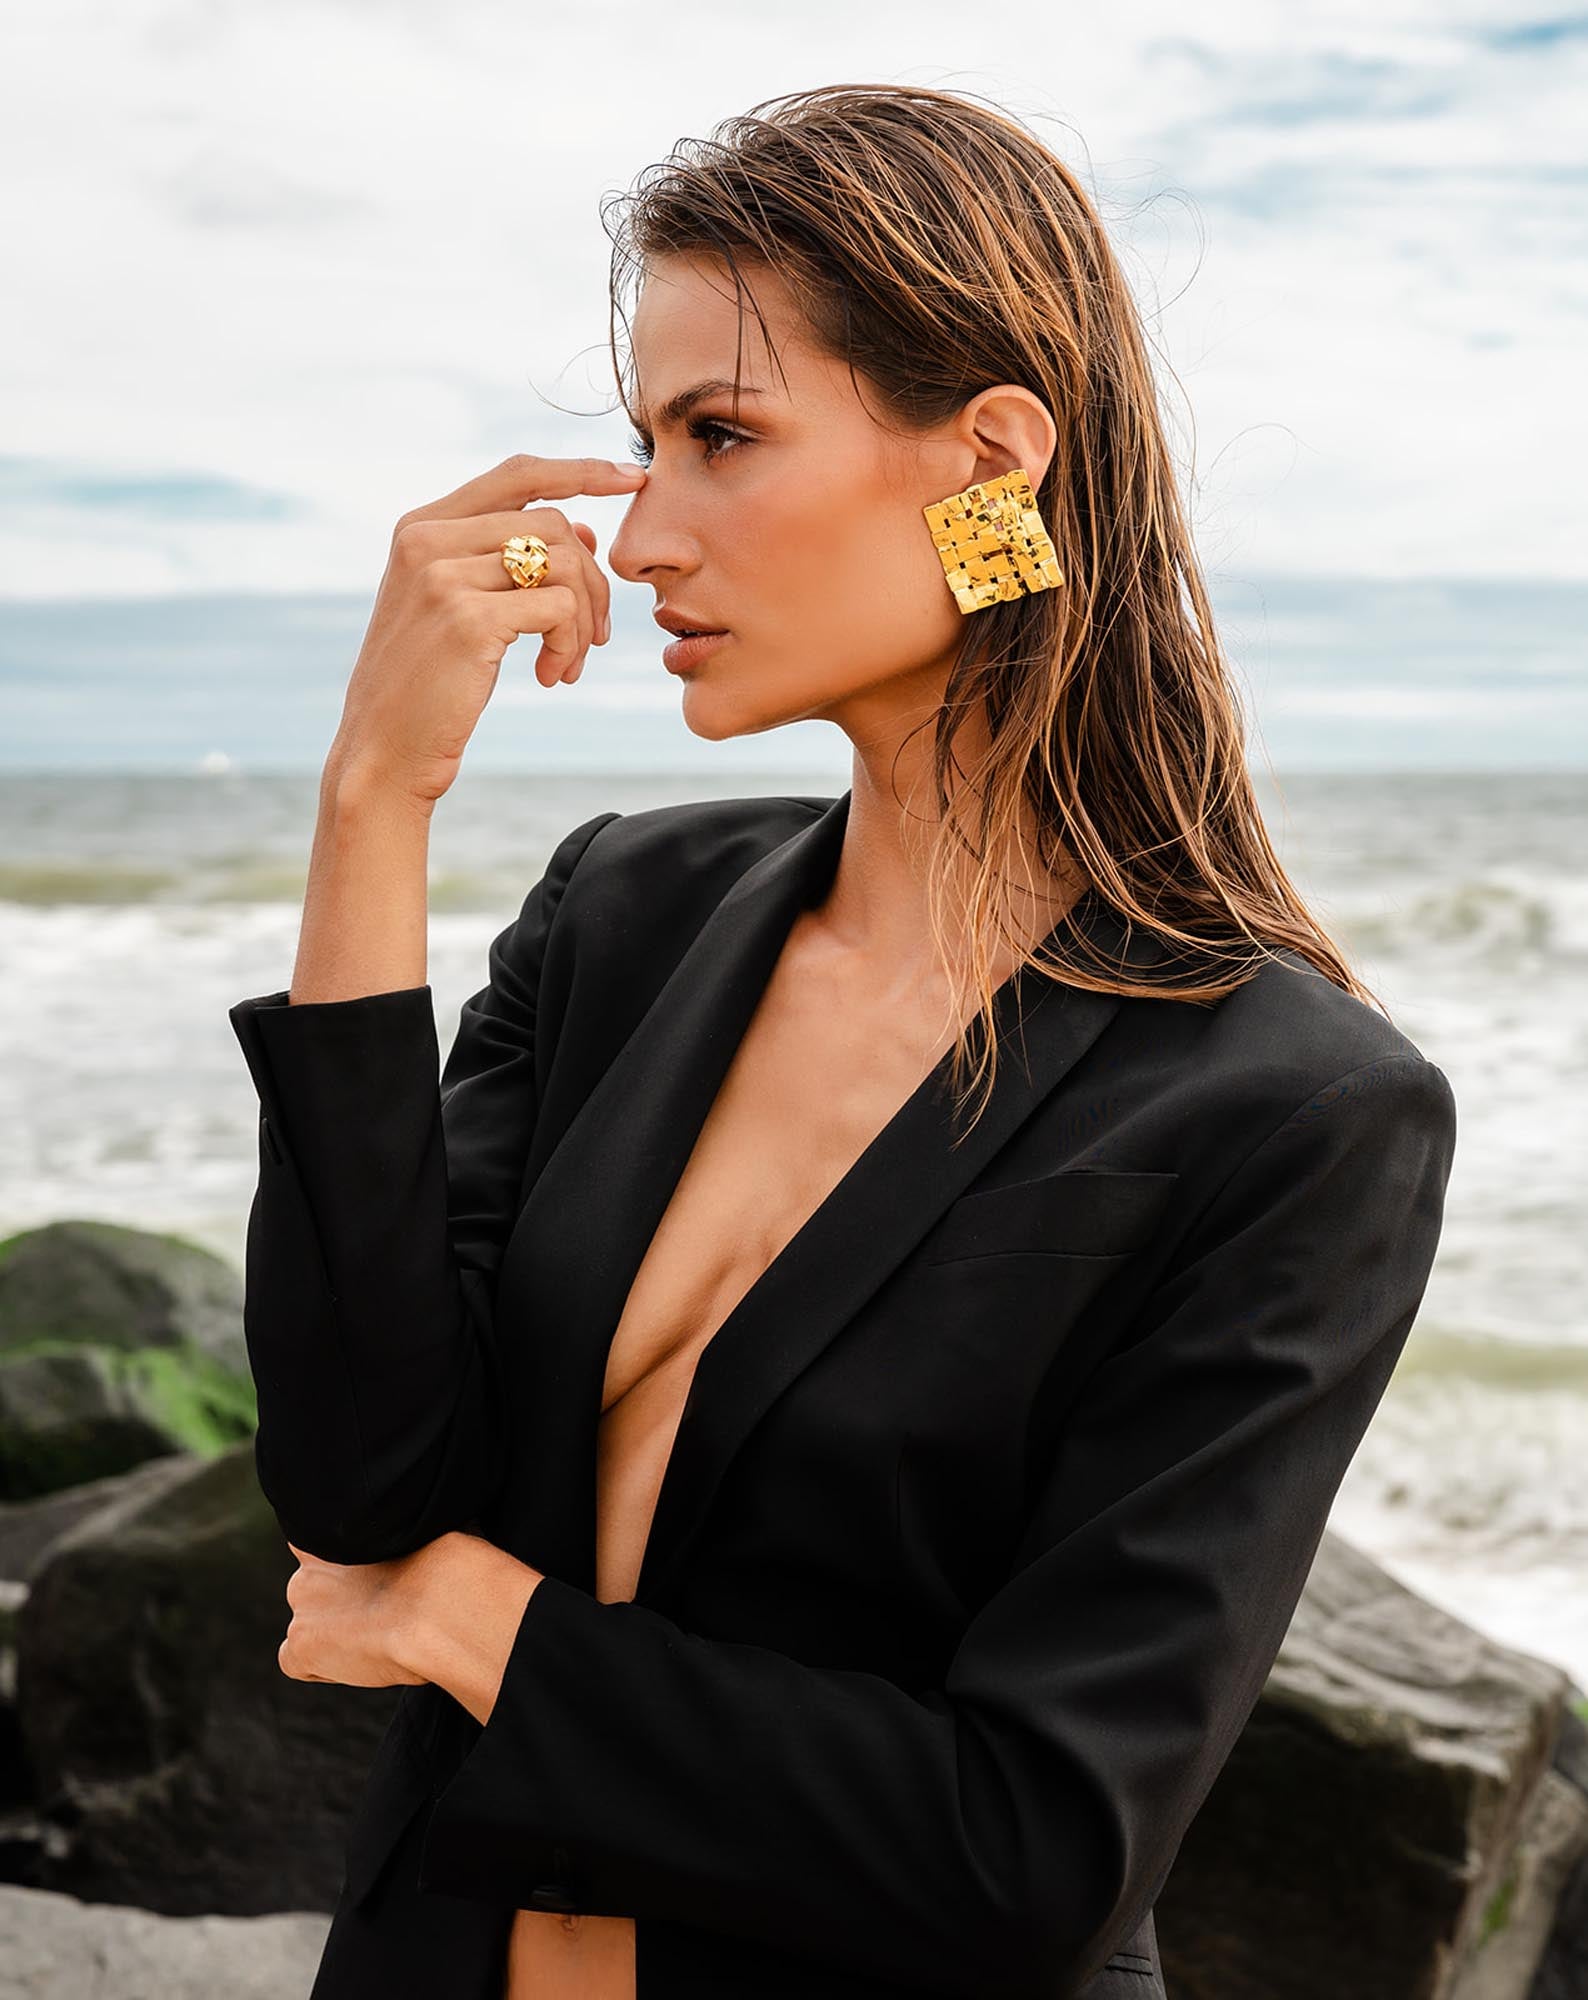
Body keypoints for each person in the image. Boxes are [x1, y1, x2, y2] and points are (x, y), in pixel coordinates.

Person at [226, 83, 1457, 2000]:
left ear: (989, 464)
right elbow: (354, 1477)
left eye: (722, 436)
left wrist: (485, 1627)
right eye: (646, 446)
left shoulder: (1293, 1112)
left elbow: (1037, 1842)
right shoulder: (617, 914)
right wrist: (373, 804)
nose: (639, 542)